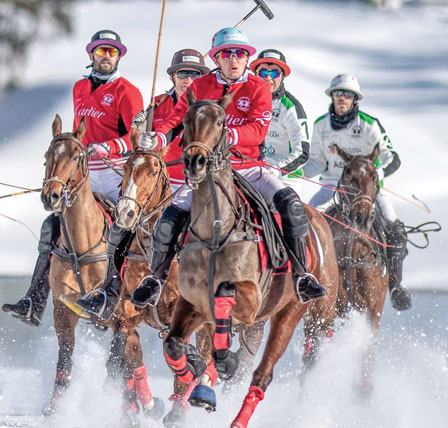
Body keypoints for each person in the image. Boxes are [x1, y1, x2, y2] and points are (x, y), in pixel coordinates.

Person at [130, 27, 326, 308]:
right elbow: (176, 117)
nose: (234, 60)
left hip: (248, 169)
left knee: (291, 204)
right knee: (171, 214)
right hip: (209, 173)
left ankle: (301, 275)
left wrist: (227, 135)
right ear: (217, 58)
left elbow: (258, 129)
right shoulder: (200, 86)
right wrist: (159, 135)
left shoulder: (258, 87)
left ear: (247, 58)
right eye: (227, 54)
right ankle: (156, 278)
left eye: (241, 54)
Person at [3, 29, 143, 326]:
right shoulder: (80, 87)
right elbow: (80, 132)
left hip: (114, 172)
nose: (106, 57)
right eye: (101, 51)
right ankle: (34, 300)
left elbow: (136, 138)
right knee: (52, 225)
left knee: (123, 229)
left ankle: (114, 294)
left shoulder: (127, 91)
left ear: (119, 56)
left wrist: (108, 146)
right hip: (83, 175)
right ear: (91, 54)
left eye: (112, 52)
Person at [75, 48, 211, 318]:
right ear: (173, 77)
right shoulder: (157, 105)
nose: (188, 79)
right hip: (158, 183)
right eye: (183, 73)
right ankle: (108, 292)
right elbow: (133, 137)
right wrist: (130, 136)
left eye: (195, 75)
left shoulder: (209, 109)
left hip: (195, 182)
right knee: (121, 226)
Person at [303, 74, 411, 311]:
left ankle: (395, 286)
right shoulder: (321, 125)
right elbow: (316, 163)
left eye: (348, 94)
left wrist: (375, 177)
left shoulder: (369, 124)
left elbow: (392, 158)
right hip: (332, 185)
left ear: (355, 99)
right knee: (303, 223)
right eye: (338, 93)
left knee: (394, 227)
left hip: (367, 190)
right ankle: (304, 280)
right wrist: (291, 171)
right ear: (332, 96)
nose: (342, 98)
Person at [249, 49, 313, 200]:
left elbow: (302, 152)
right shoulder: (245, 101)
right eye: (263, 72)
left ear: (282, 76)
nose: (269, 78)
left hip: (283, 178)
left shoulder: (290, 107)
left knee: (288, 213)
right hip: (250, 172)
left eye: (275, 73)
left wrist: (276, 170)